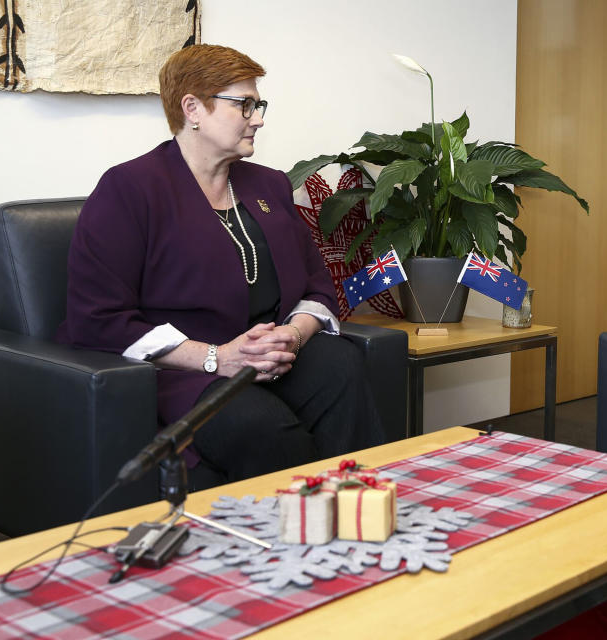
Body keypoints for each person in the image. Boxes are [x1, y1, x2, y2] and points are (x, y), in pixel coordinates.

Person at [57, 44, 384, 486]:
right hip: (181, 371)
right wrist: (218, 357)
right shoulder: (129, 189)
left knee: (342, 366)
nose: (259, 118)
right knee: (261, 428)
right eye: (244, 104)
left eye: (258, 104)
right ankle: (288, 542)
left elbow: (318, 287)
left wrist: (292, 334)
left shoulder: (267, 183)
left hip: (269, 357)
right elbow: (97, 321)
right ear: (192, 108)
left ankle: (354, 510)